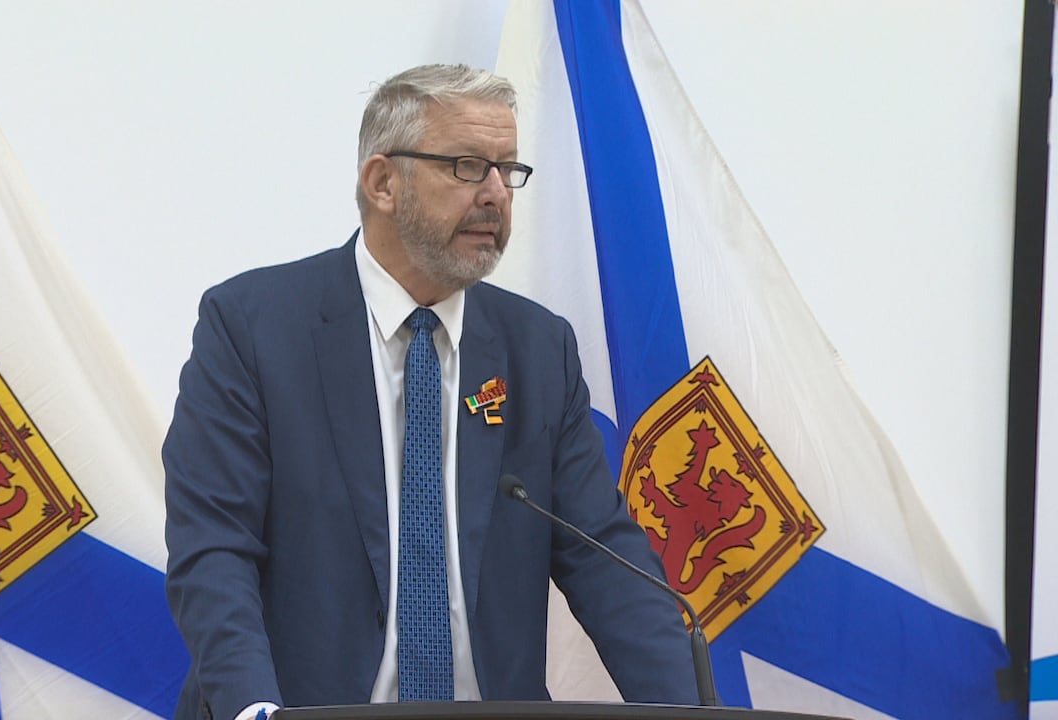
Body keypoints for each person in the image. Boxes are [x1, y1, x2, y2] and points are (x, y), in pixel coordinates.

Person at [163, 63, 698, 720]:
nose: (497, 194)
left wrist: (696, 713)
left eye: (509, 170)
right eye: (468, 167)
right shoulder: (252, 326)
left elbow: (606, 561)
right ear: (384, 183)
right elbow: (214, 547)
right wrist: (253, 708)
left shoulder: (537, 347)